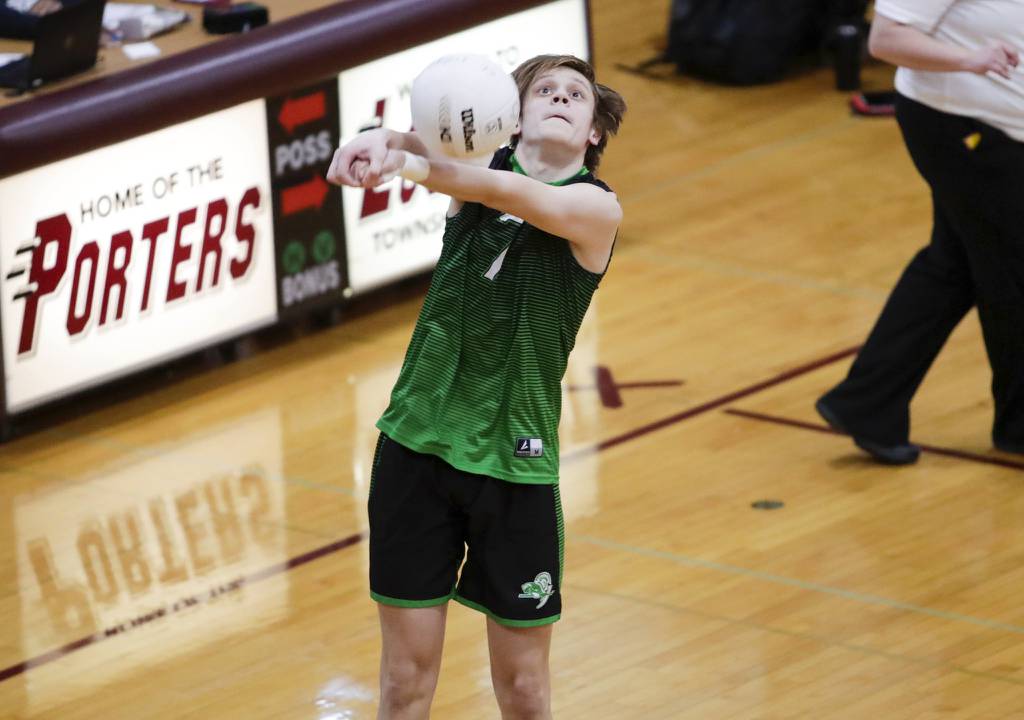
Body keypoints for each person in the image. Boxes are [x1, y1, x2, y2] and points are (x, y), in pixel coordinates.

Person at [326, 54, 625, 719]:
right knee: (405, 681)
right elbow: (428, 154)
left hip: (514, 467)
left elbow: (512, 195)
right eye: (542, 88)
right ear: (510, 119)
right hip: (415, 446)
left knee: (523, 690)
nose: (558, 96)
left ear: (594, 134)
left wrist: (404, 160)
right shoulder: (474, 176)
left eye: (575, 94)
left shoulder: (593, 209)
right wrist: (373, 143)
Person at [816, 0, 1023, 464]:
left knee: (954, 266)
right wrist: (970, 59)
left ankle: (866, 404)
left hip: (994, 131)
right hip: (964, 130)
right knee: (1010, 273)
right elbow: (886, 39)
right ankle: (1019, 428)